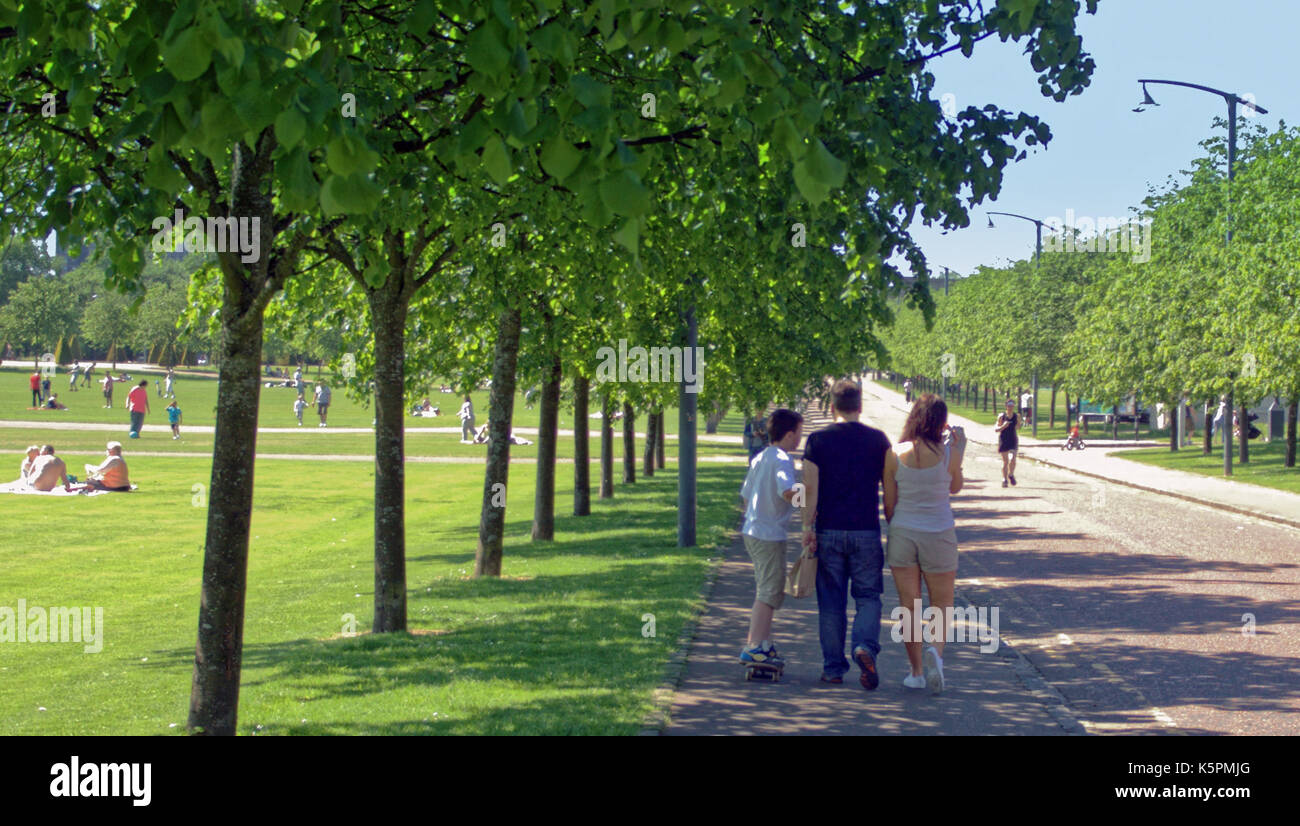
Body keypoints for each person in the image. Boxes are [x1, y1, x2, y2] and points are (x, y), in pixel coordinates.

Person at [801, 379, 892, 689]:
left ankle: (833, 668)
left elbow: (809, 490)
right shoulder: (879, 441)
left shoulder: (817, 441)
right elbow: (889, 488)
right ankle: (865, 646)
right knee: (868, 597)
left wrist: (806, 527)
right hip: (866, 529)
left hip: (828, 530)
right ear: (860, 406)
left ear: (832, 407)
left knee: (831, 602)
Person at [882, 394, 965, 693]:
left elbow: (889, 506)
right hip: (939, 532)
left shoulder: (894, 453)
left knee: (909, 605)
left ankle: (916, 671)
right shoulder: (948, 454)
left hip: (903, 532)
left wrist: (899, 525)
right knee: (942, 603)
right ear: (942, 423)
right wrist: (958, 451)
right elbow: (955, 487)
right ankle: (936, 655)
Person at [737, 408, 804, 671]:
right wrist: (809, 499)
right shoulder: (781, 460)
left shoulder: (761, 456)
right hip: (768, 534)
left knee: (768, 587)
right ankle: (753, 646)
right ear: (789, 434)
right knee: (769, 590)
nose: (800, 438)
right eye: (799, 432)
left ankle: (761, 643)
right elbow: (787, 490)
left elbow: (746, 494)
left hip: (754, 529)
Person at [994, 399, 1019, 487]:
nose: (1010, 407)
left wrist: (1018, 424)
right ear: (1006, 406)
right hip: (1004, 439)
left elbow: (1018, 427)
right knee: (1005, 461)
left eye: (1012, 405)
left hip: (1013, 439)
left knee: (1013, 459)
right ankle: (1004, 479)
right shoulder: (1002, 416)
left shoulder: (1016, 416)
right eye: (1009, 405)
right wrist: (1003, 426)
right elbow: (996, 429)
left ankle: (1011, 474)